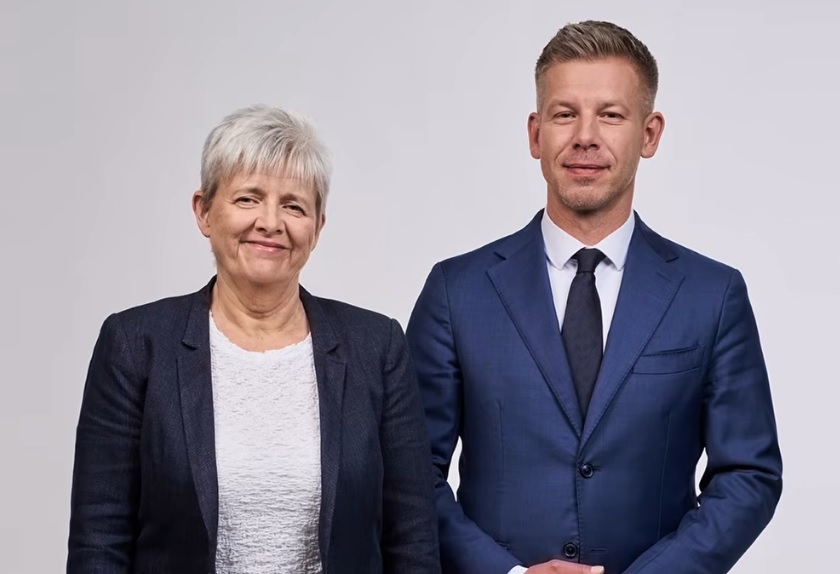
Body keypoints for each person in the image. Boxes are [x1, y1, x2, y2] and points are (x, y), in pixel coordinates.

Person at [406, 20, 782, 574]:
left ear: (649, 134)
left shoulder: (713, 295)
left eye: (610, 115)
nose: (585, 136)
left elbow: (749, 475)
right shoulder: (456, 291)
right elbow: (411, 474)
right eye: (565, 114)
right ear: (535, 134)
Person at [67, 105, 440, 574]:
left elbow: (413, 542)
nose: (270, 222)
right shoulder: (135, 345)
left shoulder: (376, 347)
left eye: (294, 205)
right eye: (248, 199)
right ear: (204, 211)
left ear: (317, 227)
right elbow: (99, 544)